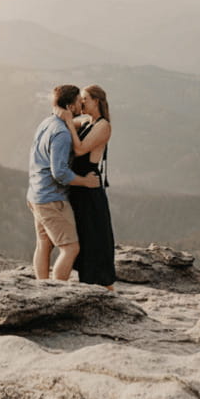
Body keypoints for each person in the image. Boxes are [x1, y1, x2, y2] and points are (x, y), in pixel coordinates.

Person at [27, 85, 101, 281]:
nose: (82, 104)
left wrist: (76, 120)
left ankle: (41, 289)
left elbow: (75, 123)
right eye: (79, 101)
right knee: (70, 248)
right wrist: (85, 181)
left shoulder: (47, 123)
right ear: (69, 106)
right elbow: (59, 173)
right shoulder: (61, 135)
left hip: (36, 194)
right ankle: (55, 297)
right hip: (53, 199)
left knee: (44, 243)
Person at [56, 85, 117, 289]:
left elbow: (80, 149)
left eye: (85, 99)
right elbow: (64, 123)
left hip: (89, 188)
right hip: (79, 188)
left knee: (95, 239)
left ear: (96, 101)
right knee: (83, 239)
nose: (81, 103)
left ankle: (105, 288)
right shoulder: (86, 122)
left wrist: (68, 121)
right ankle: (88, 284)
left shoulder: (103, 126)